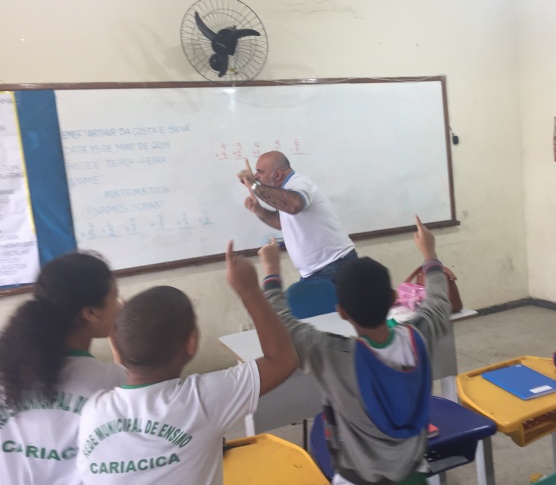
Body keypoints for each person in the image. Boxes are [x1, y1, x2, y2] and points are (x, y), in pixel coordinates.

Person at [76, 241, 298, 484]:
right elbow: (282, 360)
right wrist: (249, 291)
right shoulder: (201, 401)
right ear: (191, 342)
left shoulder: (92, 410)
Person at [258, 215, 452, 485]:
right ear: (393, 298)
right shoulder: (419, 336)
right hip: (414, 475)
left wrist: (271, 271)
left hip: (356, 478)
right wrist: (429, 253)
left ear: (342, 312)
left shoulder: (333, 355)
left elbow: (281, 326)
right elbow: (439, 303)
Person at [0, 251, 126, 485]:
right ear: (90, 313)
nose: (119, 306)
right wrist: (121, 346)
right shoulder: (110, 379)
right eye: (115, 297)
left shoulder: (7, 366)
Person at [237, 151, 356, 282]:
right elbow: (280, 222)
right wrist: (258, 210)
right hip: (314, 271)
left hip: (333, 265)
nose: (256, 176)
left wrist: (254, 185)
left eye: (260, 172)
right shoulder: (284, 192)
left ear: (278, 175)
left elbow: (294, 205)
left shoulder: (299, 183)